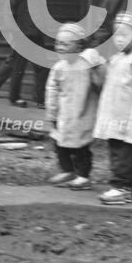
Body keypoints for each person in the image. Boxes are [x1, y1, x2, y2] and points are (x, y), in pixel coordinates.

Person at [93, 12, 132, 205]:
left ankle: (121, 187)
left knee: (124, 154)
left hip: (129, 118)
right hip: (114, 116)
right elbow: (107, 84)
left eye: (124, 34)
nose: (118, 39)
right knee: (119, 151)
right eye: (116, 34)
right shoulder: (116, 58)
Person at [45, 23, 102, 190]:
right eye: (58, 43)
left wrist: (96, 65)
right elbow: (52, 91)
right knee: (59, 144)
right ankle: (67, 170)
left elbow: (100, 82)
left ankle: (83, 176)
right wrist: (52, 113)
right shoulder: (58, 68)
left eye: (65, 44)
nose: (60, 47)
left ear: (78, 45)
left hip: (84, 113)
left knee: (81, 148)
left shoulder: (87, 64)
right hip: (64, 114)